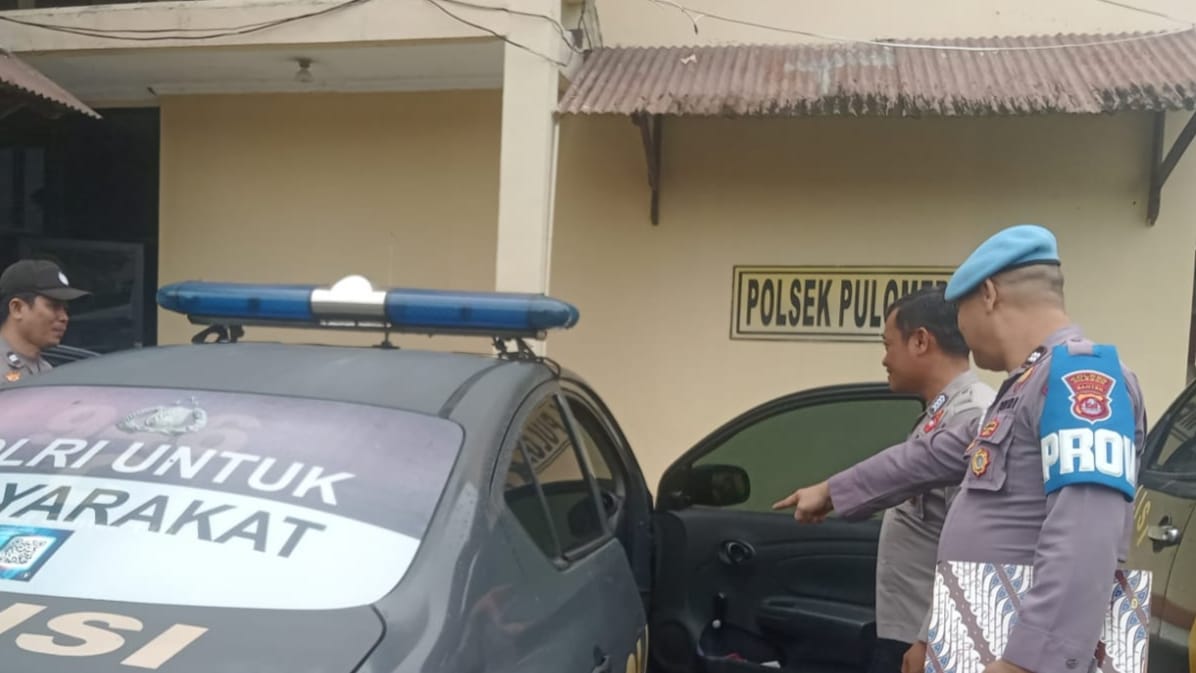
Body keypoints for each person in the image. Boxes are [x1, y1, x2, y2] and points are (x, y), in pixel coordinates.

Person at [773, 224, 1147, 673]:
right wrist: (832, 491)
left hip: (1021, 654)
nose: (960, 329)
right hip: (986, 636)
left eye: (960, 310)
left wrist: (1029, 662)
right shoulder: (1024, 387)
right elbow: (928, 456)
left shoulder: (1080, 380)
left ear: (988, 294)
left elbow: (1087, 532)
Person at [774, 285, 995, 673]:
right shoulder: (942, 414)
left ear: (921, 341)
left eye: (888, 344)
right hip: (908, 630)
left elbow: (973, 544)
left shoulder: (972, 416)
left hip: (933, 640)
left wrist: (933, 636)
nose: (884, 359)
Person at [0, 258, 90, 385]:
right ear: (17, 308)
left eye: (65, 309)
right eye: (53, 306)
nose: (64, 317)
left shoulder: (46, 370)